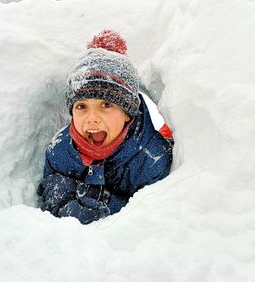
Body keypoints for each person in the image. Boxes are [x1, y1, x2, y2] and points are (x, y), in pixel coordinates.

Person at [37, 30, 173, 224]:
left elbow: (146, 217)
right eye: (82, 106)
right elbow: (51, 194)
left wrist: (103, 202)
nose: (92, 118)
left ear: (128, 112)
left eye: (106, 105)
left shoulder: (151, 159)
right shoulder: (60, 150)